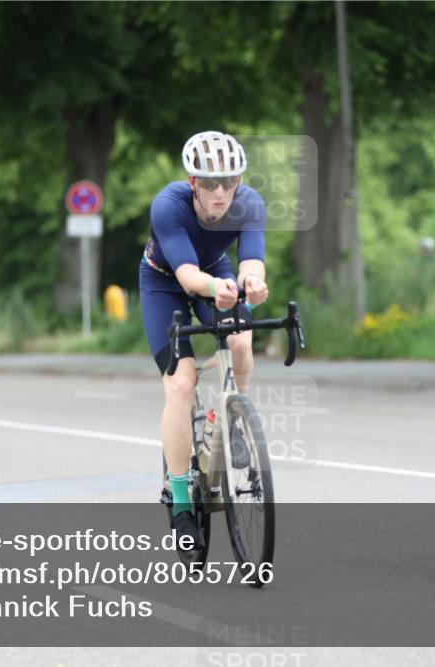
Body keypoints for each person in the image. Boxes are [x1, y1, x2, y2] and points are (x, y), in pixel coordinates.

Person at [139, 131, 270, 549]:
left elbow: (251, 259)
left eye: (228, 182)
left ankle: (234, 417)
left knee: (242, 340)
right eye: (209, 183)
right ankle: (179, 502)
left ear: (239, 180)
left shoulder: (248, 203)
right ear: (192, 182)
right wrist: (217, 288)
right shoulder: (168, 205)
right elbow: (187, 277)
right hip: (166, 282)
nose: (220, 192)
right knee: (182, 383)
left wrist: (252, 282)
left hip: (217, 272)